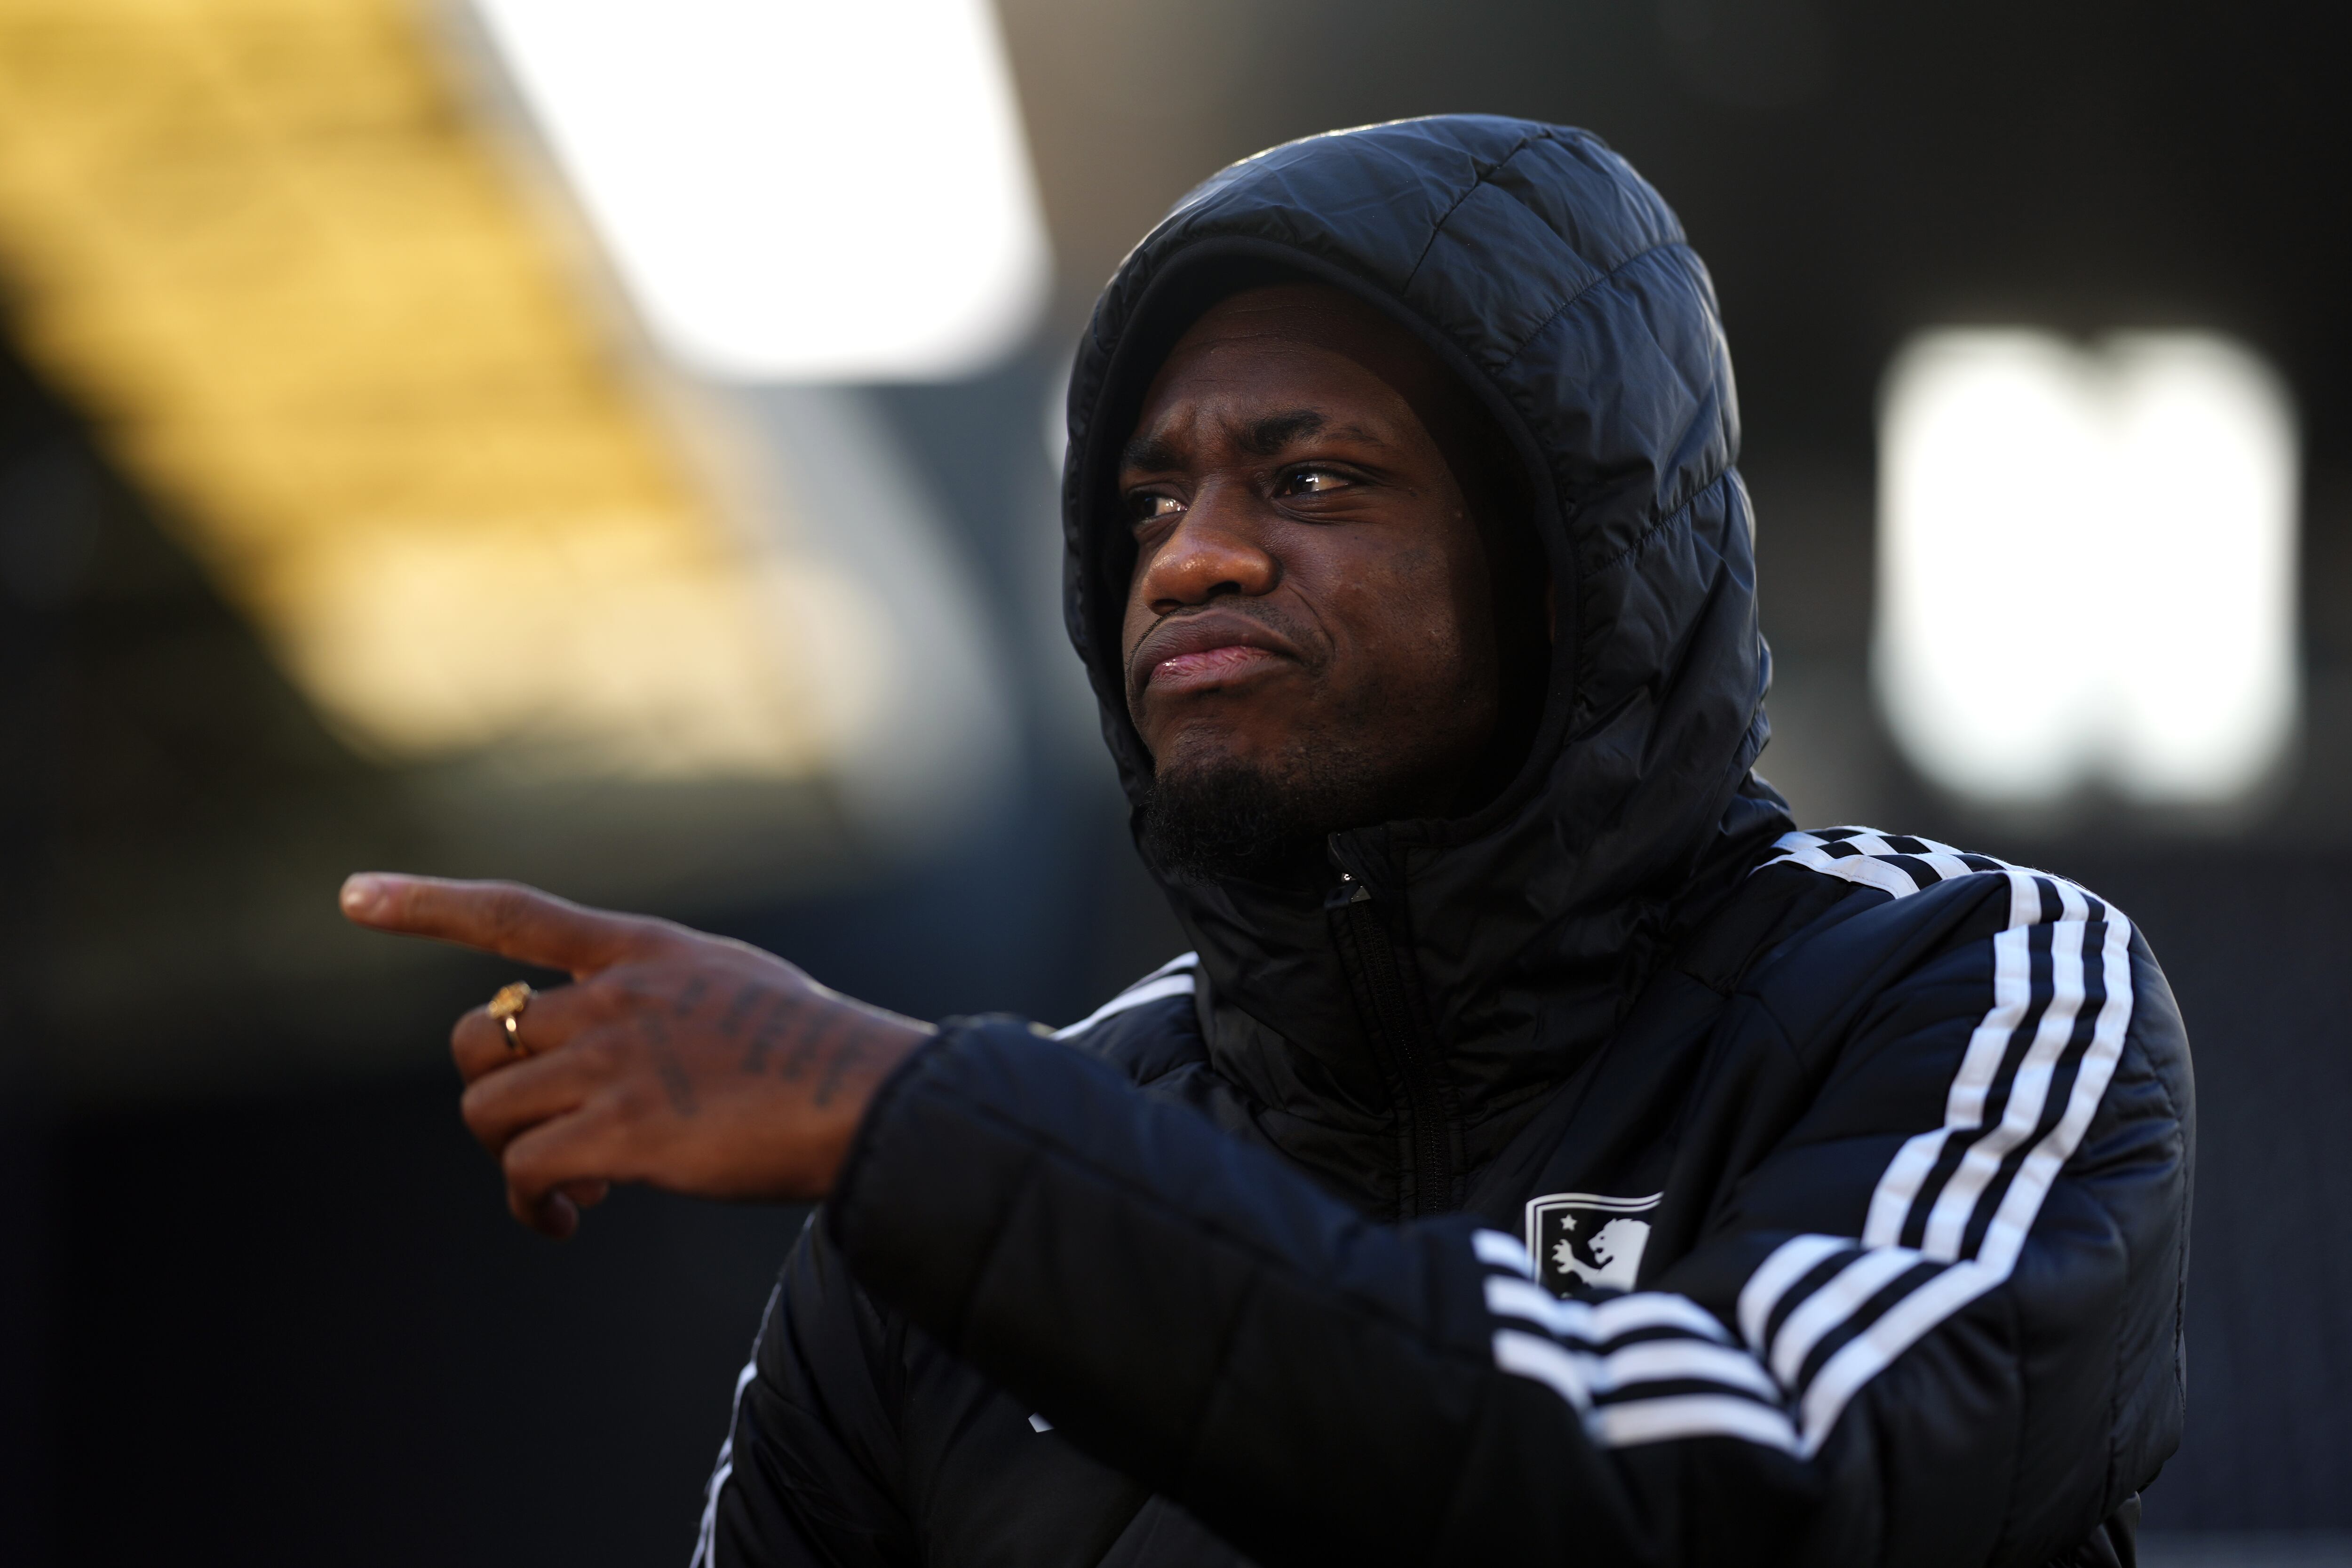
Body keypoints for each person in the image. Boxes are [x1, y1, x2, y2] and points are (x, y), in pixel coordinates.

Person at [340, 116, 2190, 1566]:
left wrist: (922, 1128)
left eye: (1310, 481)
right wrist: (934, 1150)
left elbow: (1731, 1494)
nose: (1192, 553)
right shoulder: (936, 1200)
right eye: (1149, 497)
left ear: (1570, 577)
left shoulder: (1959, 984)